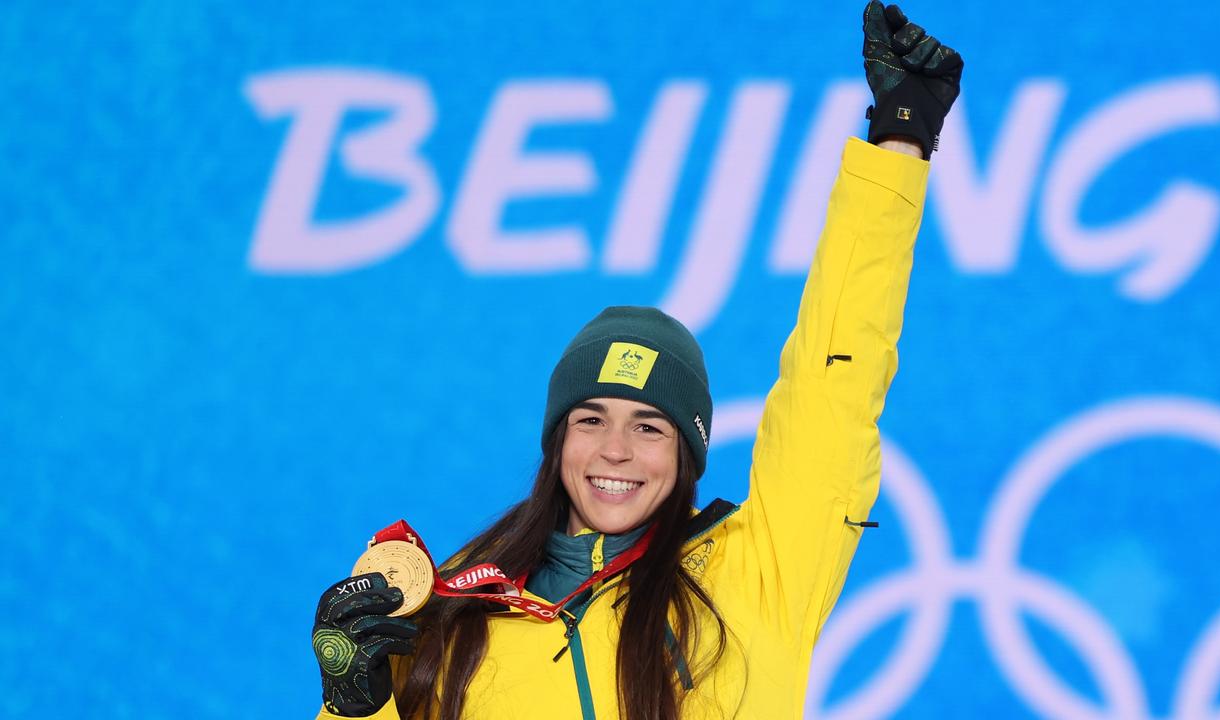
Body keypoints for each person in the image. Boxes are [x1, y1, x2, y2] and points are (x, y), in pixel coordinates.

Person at [310, 2, 962, 718]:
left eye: (650, 427)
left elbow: (836, 379)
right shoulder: (455, 612)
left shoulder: (762, 569)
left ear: (688, 450)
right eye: (590, 419)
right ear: (558, 438)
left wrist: (899, 145)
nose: (615, 450)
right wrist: (352, 702)